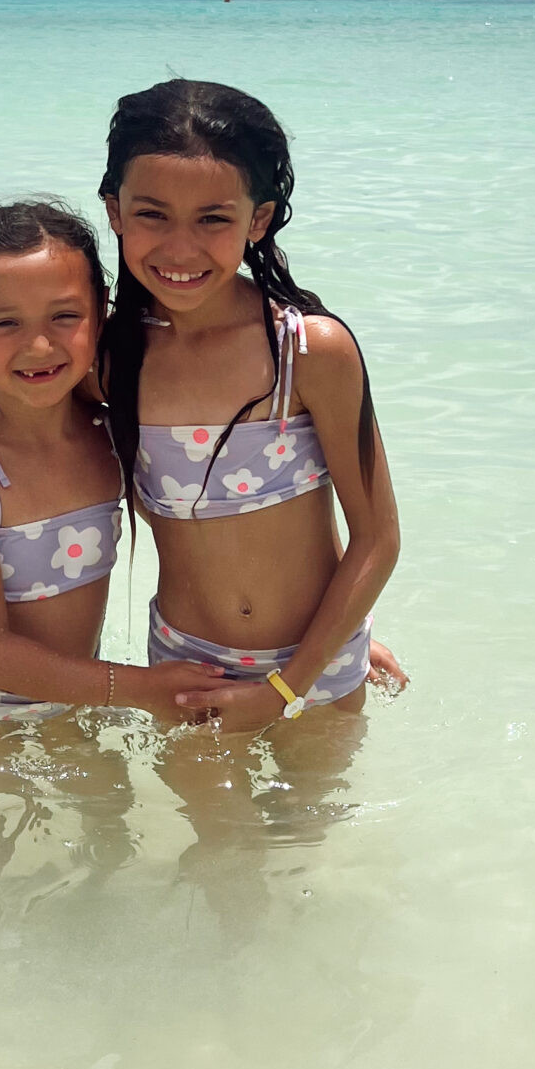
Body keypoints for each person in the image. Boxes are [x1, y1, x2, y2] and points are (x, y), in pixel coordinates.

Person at [97, 78, 400, 731]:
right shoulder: (107, 357)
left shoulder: (308, 352)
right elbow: (11, 427)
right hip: (187, 666)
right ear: (114, 212)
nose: (180, 249)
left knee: (312, 834)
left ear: (256, 220)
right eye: (151, 214)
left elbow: (377, 537)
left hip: (314, 670)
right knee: (213, 837)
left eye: (212, 219)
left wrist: (293, 682)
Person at [0, 197, 223, 727]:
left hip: (79, 693)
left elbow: (211, 534)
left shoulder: (111, 429)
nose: (40, 344)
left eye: (65, 316)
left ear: (101, 310)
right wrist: (140, 688)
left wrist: (317, 638)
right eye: (5, 322)